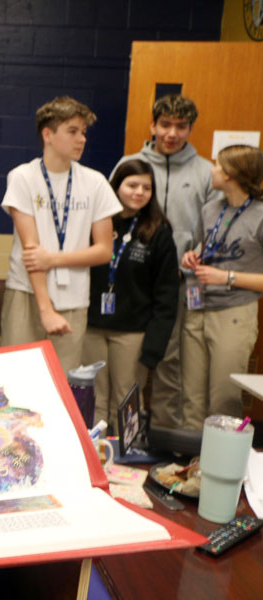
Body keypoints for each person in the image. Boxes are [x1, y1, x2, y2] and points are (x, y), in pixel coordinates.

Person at [112, 94, 219, 428]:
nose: (172, 133)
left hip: (178, 283)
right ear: (152, 125)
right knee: (125, 362)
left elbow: (214, 227)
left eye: (181, 126)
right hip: (130, 281)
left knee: (168, 361)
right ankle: (123, 433)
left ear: (190, 129)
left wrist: (194, 255)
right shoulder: (130, 164)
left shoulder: (205, 172)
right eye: (165, 125)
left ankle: (164, 435)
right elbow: (109, 217)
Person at [0, 96, 121, 373]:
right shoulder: (23, 177)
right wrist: (45, 310)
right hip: (27, 293)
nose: (82, 140)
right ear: (48, 134)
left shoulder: (95, 182)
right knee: (16, 379)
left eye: (84, 133)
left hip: (74, 297)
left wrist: (53, 259)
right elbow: (32, 252)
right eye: (73, 131)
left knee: (62, 381)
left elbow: (103, 250)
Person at [82, 159, 179, 433]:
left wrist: (153, 349)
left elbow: (167, 294)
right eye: (132, 185)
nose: (139, 192)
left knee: (127, 400)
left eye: (146, 187)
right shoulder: (97, 223)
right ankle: (94, 457)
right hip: (92, 327)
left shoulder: (158, 231)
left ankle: (127, 459)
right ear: (116, 186)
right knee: (95, 398)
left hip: (132, 333)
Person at [180, 144, 263, 428]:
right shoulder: (210, 209)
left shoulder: (260, 215)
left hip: (234, 312)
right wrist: (193, 256)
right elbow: (206, 248)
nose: (212, 169)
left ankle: (223, 468)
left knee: (223, 400)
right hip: (197, 306)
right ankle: (190, 466)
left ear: (232, 175)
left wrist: (226, 277)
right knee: (191, 397)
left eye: (218, 165)